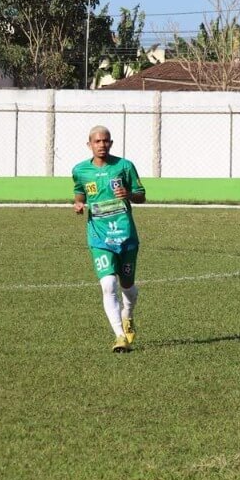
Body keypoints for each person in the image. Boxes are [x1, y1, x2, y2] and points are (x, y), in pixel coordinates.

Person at [72, 126, 146, 352]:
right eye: (97, 141)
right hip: (99, 236)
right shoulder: (80, 170)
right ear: (89, 144)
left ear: (111, 143)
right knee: (108, 284)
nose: (101, 145)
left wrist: (129, 195)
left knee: (127, 286)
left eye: (105, 141)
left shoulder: (124, 166)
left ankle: (129, 315)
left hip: (125, 237)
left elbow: (141, 196)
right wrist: (77, 204)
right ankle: (119, 336)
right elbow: (79, 194)